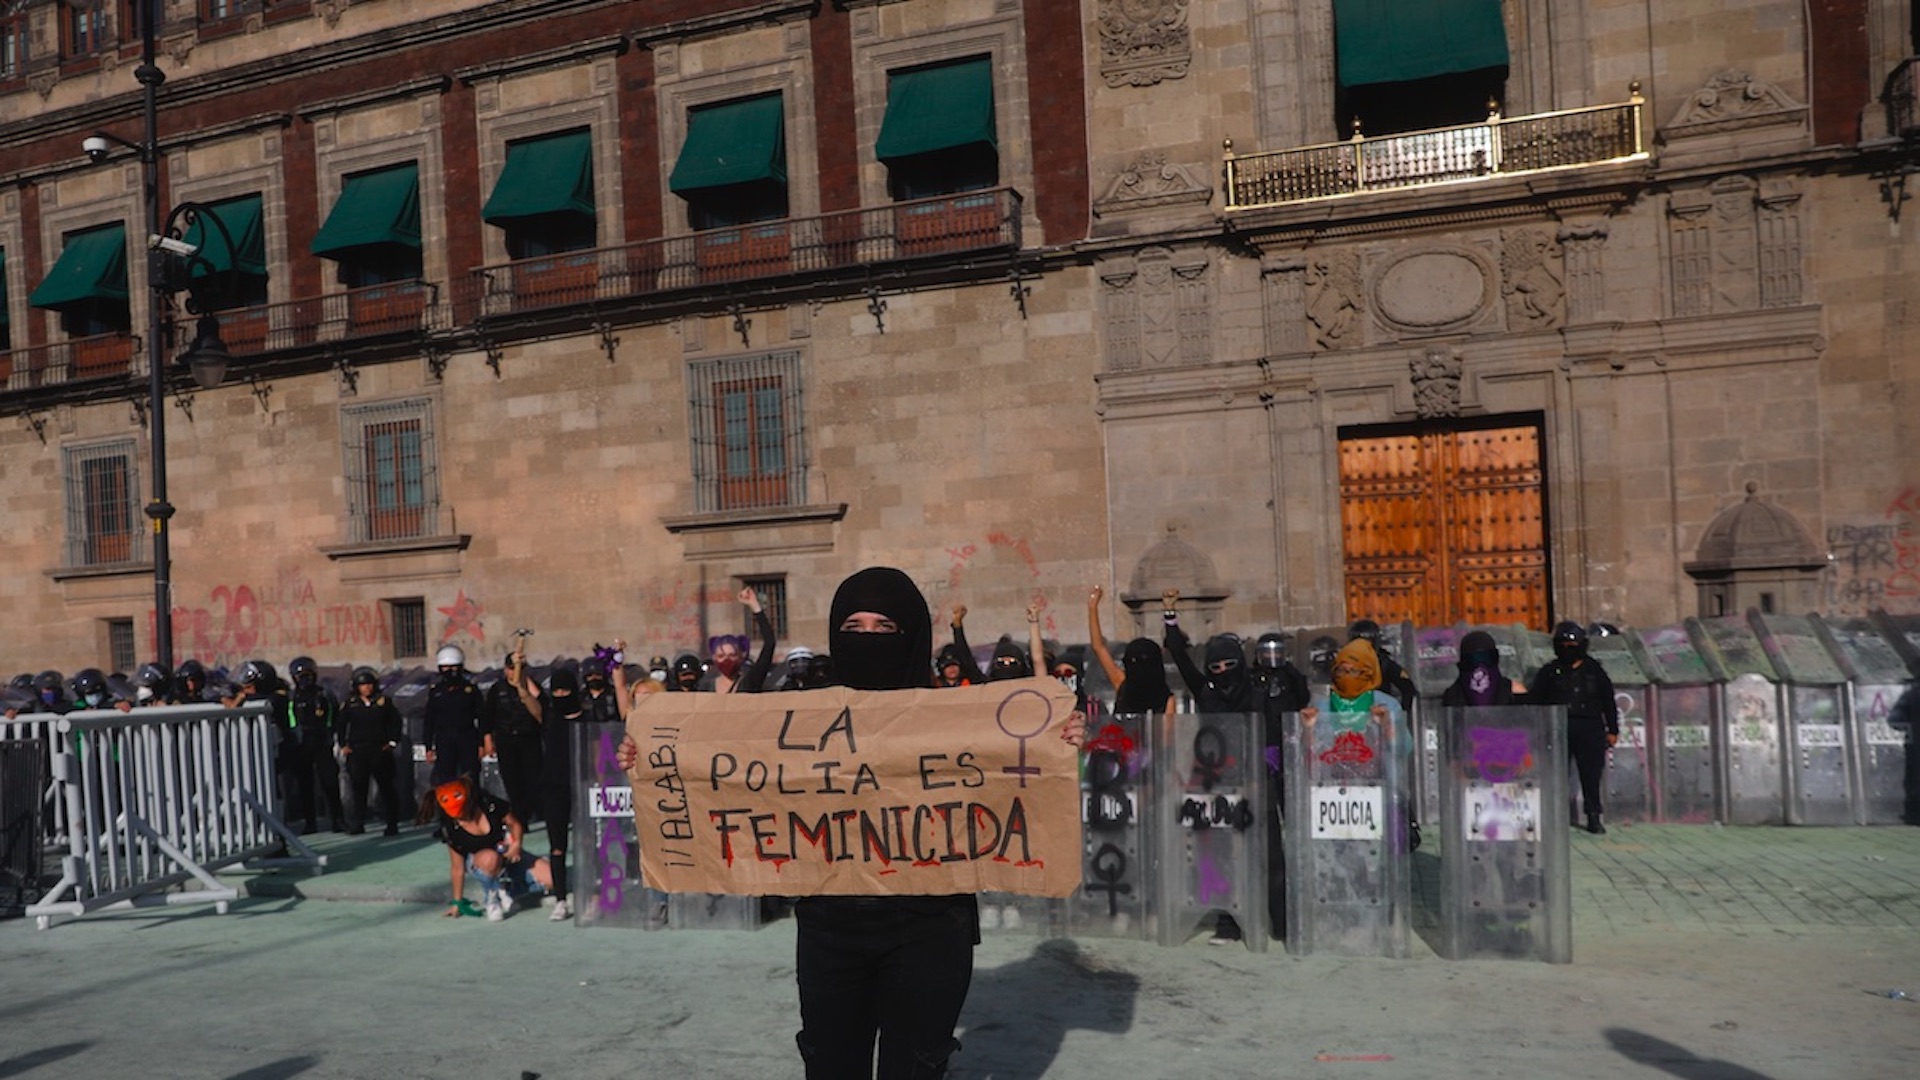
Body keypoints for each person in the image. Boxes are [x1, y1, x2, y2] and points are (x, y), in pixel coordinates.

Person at [1160, 590, 1260, 944]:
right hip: (1211, 778)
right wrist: (1170, 615)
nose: (1222, 673)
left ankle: (1262, 915)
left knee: (1254, 849)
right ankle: (1226, 919)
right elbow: (1180, 656)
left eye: (1228, 665)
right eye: (1215, 667)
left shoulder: (1255, 692)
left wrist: (1261, 774)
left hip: (1250, 777)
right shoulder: (1206, 691)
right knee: (1215, 850)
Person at [1528, 621, 1620, 835]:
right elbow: (1535, 701)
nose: (1567, 650)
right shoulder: (1550, 672)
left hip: (1590, 728)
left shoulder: (1595, 671)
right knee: (1557, 774)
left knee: (1591, 775)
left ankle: (1593, 815)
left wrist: (1613, 729)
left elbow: (1608, 700)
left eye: (1572, 645)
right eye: (1563, 645)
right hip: (1557, 728)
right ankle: (1555, 816)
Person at [427, 775, 553, 922]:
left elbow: (515, 824)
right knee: (490, 857)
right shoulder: (450, 829)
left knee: (553, 878)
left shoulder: (489, 805)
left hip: (507, 854)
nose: (461, 816)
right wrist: (457, 902)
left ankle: (507, 890)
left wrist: (516, 845)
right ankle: (491, 898)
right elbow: (457, 867)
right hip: (481, 862)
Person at [483, 639, 545, 828]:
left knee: (532, 778)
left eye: (518, 667)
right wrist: (487, 740)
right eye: (511, 668)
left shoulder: (530, 686)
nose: (514, 671)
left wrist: (524, 680)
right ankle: (520, 818)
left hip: (528, 737)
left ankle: (531, 811)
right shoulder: (497, 689)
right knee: (512, 780)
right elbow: (487, 716)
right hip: (506, 738)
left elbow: (542, 705)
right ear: (505, 669)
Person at [337, 666, 403, 835]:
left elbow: (396, 722)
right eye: (363, 685)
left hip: (380, 749)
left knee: (386, 787)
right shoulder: (351, 704)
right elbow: (341, 724)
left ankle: (392, 823)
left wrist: (392, 742)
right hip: (358, 751)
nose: (367, 688)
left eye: (369, 684)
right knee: (359, 788)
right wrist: (343, 744)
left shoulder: (384, 702)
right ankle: (358, 823)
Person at [286, 656, 346, 833]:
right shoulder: (292, 697)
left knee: (330, 782)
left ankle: (337, 819)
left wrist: (333, 737)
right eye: (301, 676)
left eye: (308, 675)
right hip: (301, 744)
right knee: (305, 786)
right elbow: (289, 720)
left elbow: (335, 718)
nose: (305, 679)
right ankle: (310, 822)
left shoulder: (324, 694)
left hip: (322, 742)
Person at [424, 645, 484, 787]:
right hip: (444, 739)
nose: (450, 671)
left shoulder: (470, 690)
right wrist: (428, 746)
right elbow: (429, 719)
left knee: (470, 777)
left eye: (453, 667)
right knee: (445, 779)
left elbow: (482, 717)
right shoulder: (436, 692)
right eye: (445, 667)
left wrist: (482, 743)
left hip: (467, 737)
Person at [711, 586, 779, 693]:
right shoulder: (706, 686)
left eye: (732, 655)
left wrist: (754, 605)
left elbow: (769, 642)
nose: (726, 660)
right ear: (714, 658)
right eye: (721, 656)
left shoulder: (750, 682)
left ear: (741, 656)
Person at [1347, 619, 1419, 712]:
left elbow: (1408, 689)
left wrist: (1400, 714)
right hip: (1351, 714)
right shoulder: (1344, 664)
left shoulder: (1384, 663)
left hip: (1379, 713)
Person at [1441, 631, 1525, 708]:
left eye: (1486, 658)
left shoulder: (1514, 691)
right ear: (1463, 664)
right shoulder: (1452, 697)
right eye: (1471, 660)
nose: (1480, 666)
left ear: (1495, 658)